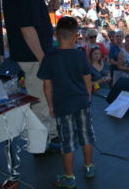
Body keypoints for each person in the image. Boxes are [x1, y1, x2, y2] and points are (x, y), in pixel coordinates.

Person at [3, 0, 58, 140]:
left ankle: (49, 135)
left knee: (43, 97)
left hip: (34, 54)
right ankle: (42, 143)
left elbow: (31, 20)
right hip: (34, 56)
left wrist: (49, 8)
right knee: (40, 99)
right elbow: (27, 29)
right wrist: (44, 60)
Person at [37, 17, 95, 188]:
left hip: (62, 105)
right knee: (86, 135)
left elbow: (47, 86)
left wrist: (50, 106)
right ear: (76, 36)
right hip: (81, 102)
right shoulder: (80, 55)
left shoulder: (49, 58)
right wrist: (88, 96)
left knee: (67, 141)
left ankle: (69, 178)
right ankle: (88, 167)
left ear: (56, 35)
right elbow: (88, 79)